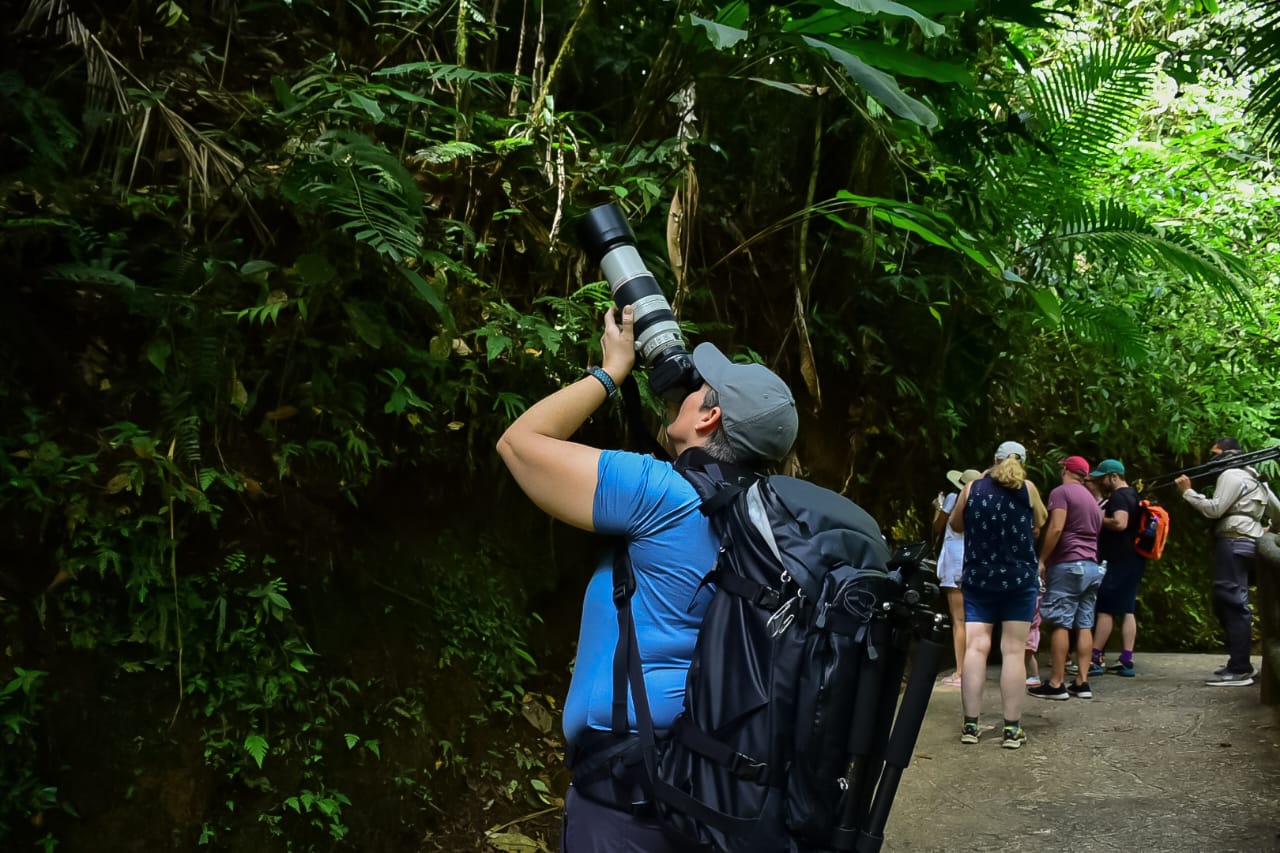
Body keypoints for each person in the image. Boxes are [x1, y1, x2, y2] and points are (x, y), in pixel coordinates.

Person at [496, 305, 799, 851]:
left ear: (709, 417)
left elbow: (519, 444)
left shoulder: (660, 495)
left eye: (697, 390)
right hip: (714, 780)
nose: (687, 391)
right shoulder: (775, 520)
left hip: (626, 791)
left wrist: (611, 371)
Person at [949, 441, 1046, 749]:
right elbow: (1040, 523)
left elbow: (955, 524)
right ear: (1022, 462)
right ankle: (1012, 730)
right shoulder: (1028, 489)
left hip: (979, 578)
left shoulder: (972, 488)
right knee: (1014, 651)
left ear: (994, 459)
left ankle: (970, 725)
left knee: (976, 648)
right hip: (1018, 580)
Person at [1176, 437, 1268, 687]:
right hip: (1250, 543)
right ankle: (1239, 662)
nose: (1211, 459)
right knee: (1229, 602)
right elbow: (1277, 511)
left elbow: (1215, 509)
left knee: (1231, 603)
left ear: (1227, 454)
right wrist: (1264, 529)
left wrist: (1188, 492)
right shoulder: (1255, 477)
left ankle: (1240, 669)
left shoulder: (1230, 474)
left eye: (1215, 453)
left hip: (1233, 542)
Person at [1029, 455, 1104, 701]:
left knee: (1060, 622)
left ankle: (1056, 683)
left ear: (1065, 470)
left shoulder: (1061, 492)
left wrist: (1042, 559)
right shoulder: (1092, 499)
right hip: (1092, 567)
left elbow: (1056, 527)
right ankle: (1082, 681)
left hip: (1068, 564)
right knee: (1084, 623)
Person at [1089, 459, 1145, 677]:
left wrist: (1098, 518)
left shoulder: (1120, 496)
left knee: (1106, 608)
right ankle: (1126, 659)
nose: (1100, 481)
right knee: (1127, 608)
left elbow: (1120, 523)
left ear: (1114, 476)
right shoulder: (1134, 495)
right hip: (1134, 558)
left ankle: (1095, 657)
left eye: (1103, 477)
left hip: (1119, 559)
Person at [933, 468, 982, 687]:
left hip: (955, 560)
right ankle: (975, 668)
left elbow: (938, 526)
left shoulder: (954, 498)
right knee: (975, 618)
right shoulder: (983, 503)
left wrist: (938, 508)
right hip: (974, 560)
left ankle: (962, 672)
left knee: (958, 620)